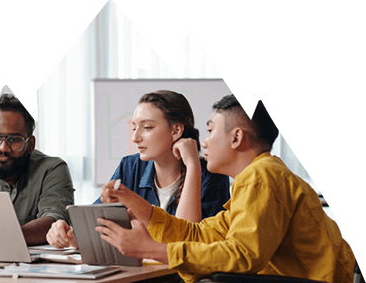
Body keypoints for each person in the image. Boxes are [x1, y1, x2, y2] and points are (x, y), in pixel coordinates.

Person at [95, 95, 355, 283]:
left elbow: (243, 256)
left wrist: (149, 249)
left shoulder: (261, 177)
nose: (204, 142)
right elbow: (199, 234)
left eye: (210, 131)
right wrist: (133, 202)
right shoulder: (254, 178)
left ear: (237, 137)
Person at [46, 90, 230, 249]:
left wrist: (192, 166)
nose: (135, 138)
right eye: (134, 128)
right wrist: (71, 234)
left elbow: (187, 240)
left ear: (176, 131)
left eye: (147, 127)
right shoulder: (130, 166)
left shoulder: (211, 174)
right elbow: (98, 224)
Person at [0, 94, 75, 246]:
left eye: (14, 139)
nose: (3, 148)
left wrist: (0, 239)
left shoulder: (52, 170)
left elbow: (55, 221)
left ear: (30, 144)